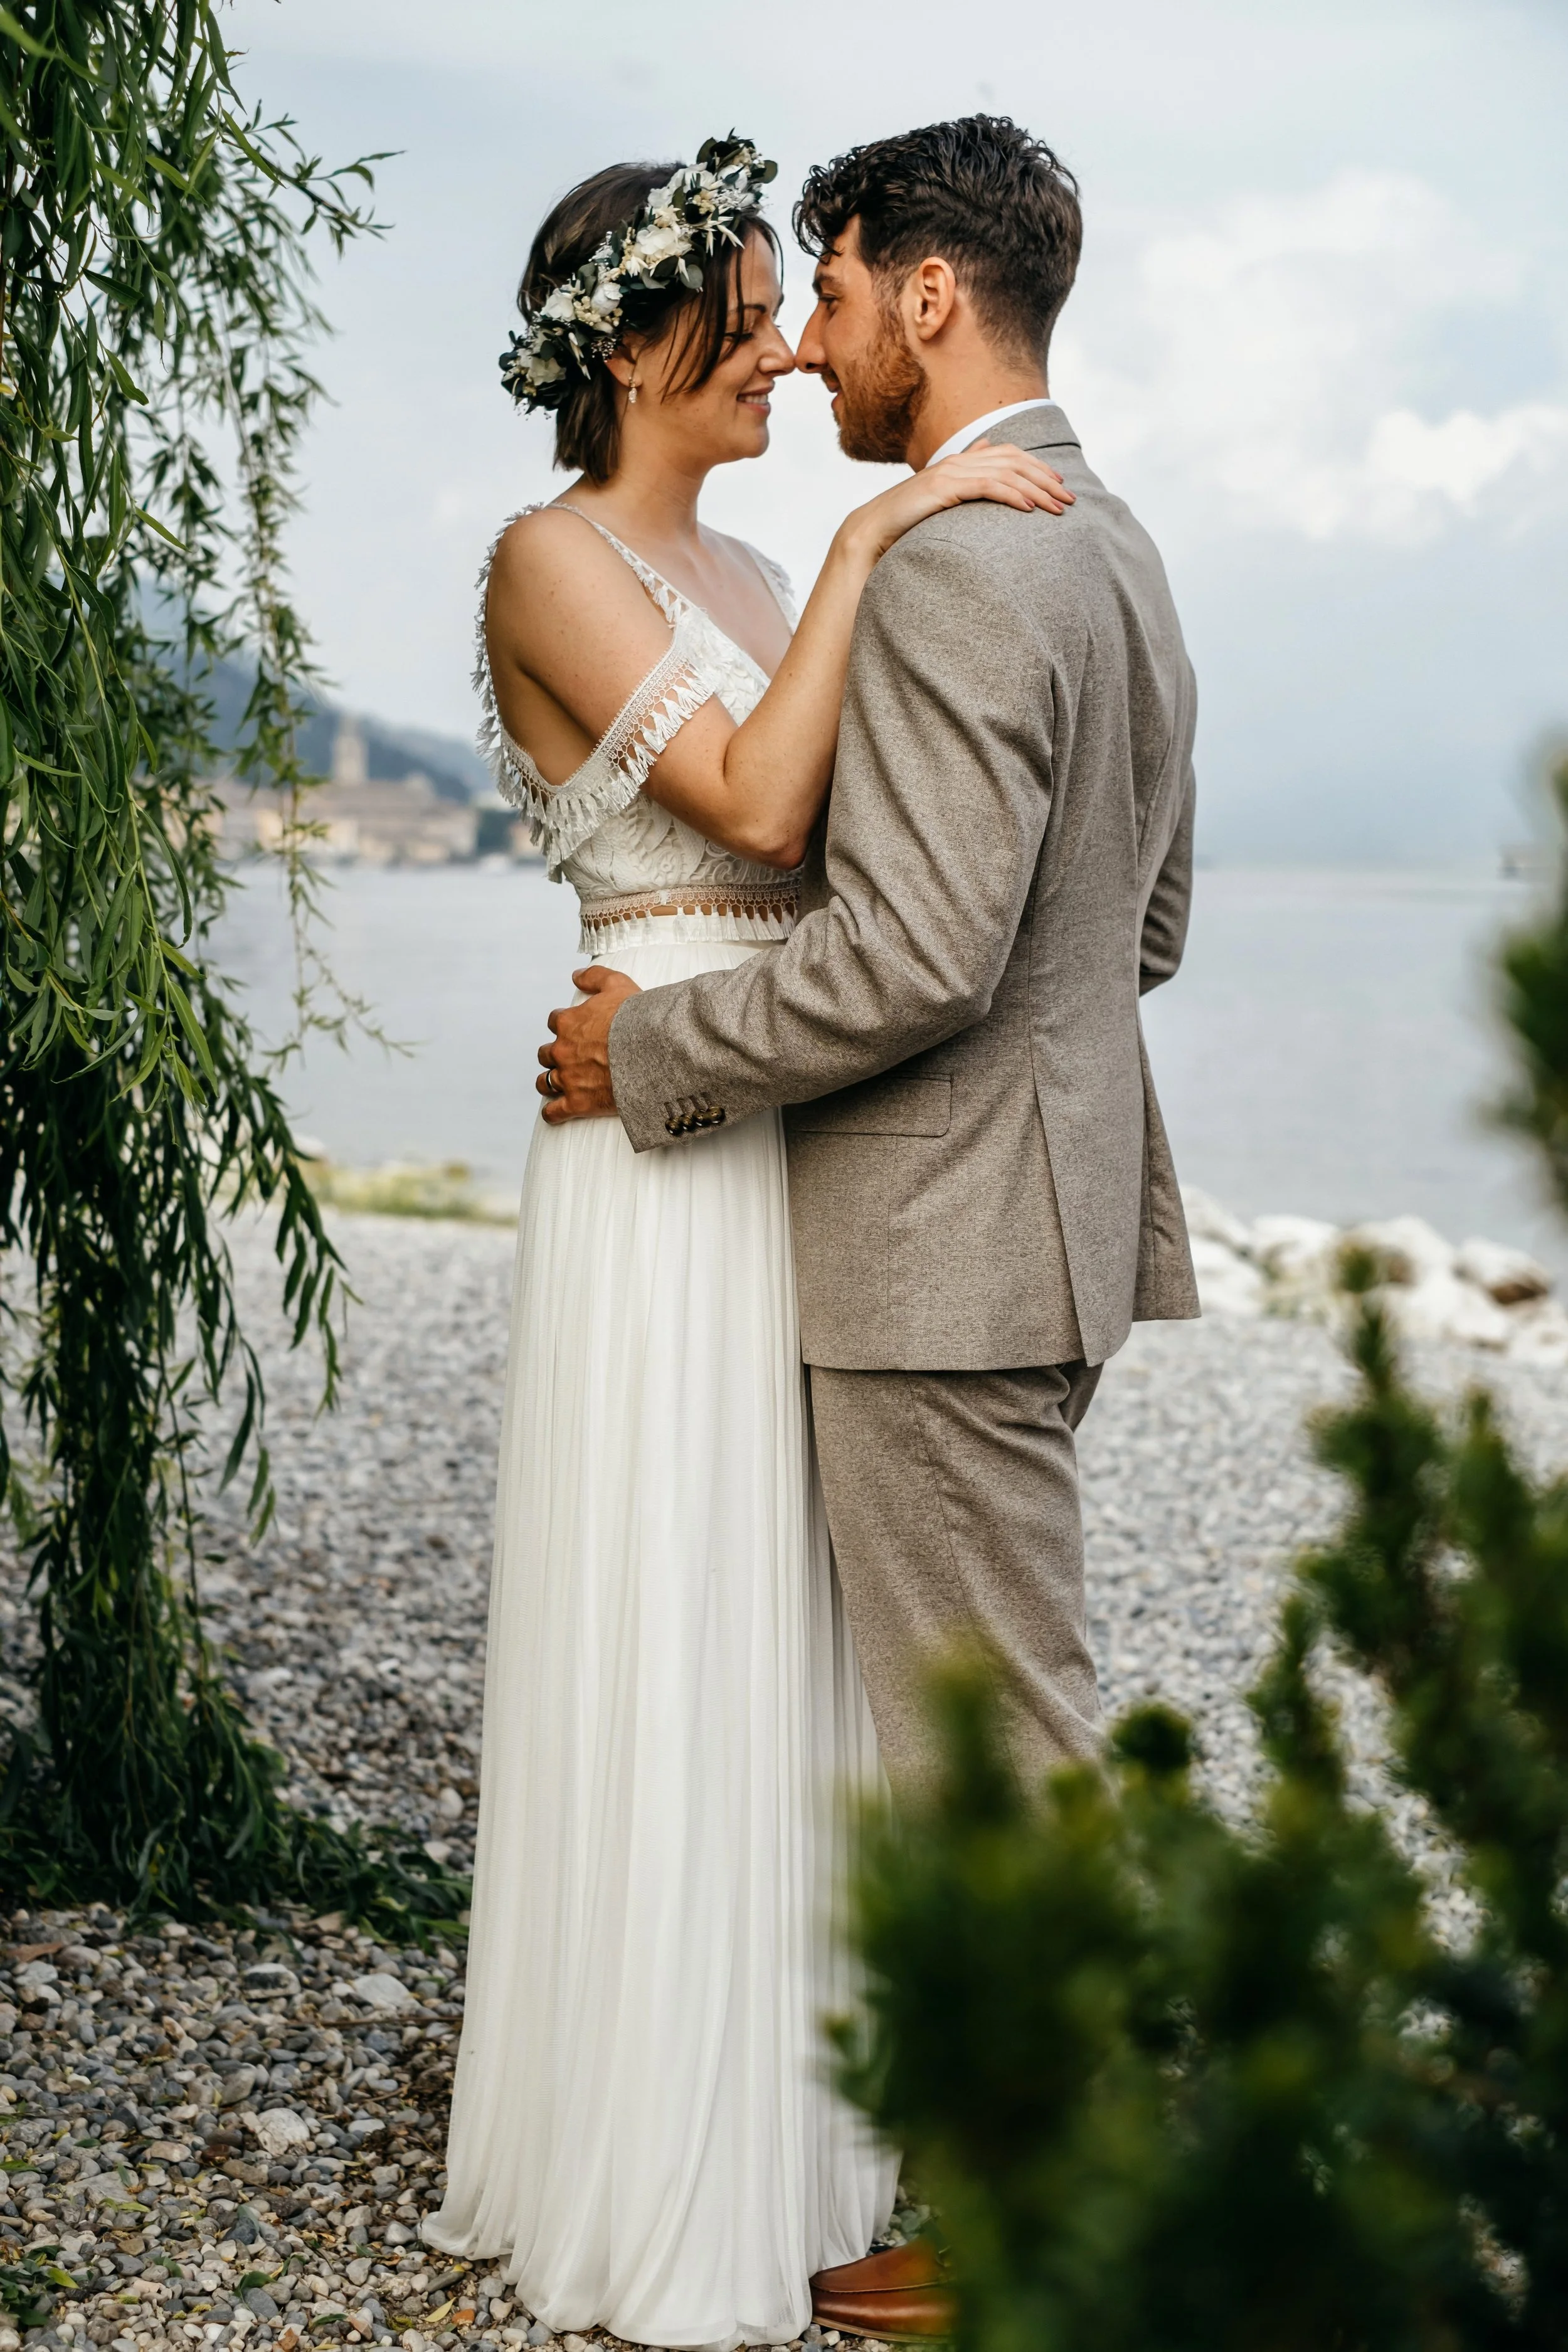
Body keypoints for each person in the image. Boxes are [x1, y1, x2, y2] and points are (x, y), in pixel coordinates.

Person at [539, 114, 1201, 2337]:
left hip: (930, 1238)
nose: (808, 347)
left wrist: (652, 1058)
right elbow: (1146, 929)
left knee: (989, 1737)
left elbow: (916, 958)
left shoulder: (945, 565)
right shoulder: (1117, 552)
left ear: (930, 295)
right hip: (1052, 1214)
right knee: (1000, 1709)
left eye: (824, 296)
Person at [420, 134, 1072, 2351]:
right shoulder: (554, 555)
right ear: (626, 342)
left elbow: (871, 874)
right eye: (738, 308)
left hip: (766, 1123)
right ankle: (643, 2147)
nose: (786, 350)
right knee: (664, 1607)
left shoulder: (765, 561)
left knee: (786, 1652)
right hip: (646, 1155)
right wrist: (896, 525)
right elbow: (768, 814)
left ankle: (803, 2130)